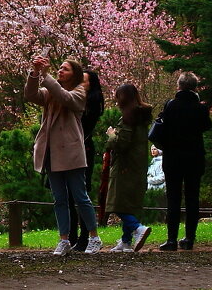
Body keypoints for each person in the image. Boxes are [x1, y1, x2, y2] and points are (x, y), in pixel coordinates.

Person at [25, 57, 101, 255]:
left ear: (74, 75)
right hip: (51, 151)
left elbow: (65, 98)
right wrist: (35, 73)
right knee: (59, 199)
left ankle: (94, 236)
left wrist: (45, 75)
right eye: (59, 68)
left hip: (71, 152)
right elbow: (31, 94)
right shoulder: (51, 91)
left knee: (80, 196)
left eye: (65, 69)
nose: (60, 71)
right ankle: (64, 239)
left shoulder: (79, 92)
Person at [157, 72, 212, 251]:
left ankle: (171, 239)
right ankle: (190, 238)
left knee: (173, 198)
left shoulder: (170, 105)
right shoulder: (201, 108)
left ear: (179, 86)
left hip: (173, 157)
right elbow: (207, 126)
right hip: (194, 157)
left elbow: (162, 128)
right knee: (192, 198)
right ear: (195, 87)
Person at [105, 83, 153, 252]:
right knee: (130, 204)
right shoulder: (142, 117)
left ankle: (137, 228)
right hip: (137, 165)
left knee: (117, 204)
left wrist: (111, 135)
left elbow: (121, 143)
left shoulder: (128, 117)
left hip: (124, 166)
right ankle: (126, 241)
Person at [69, 71, 105, 253]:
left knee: (80, 193)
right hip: (70, 147)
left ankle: (85, 236)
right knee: (68, 196)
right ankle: (72, 237)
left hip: (83, 148)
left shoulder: (91, 103)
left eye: (83, 81)